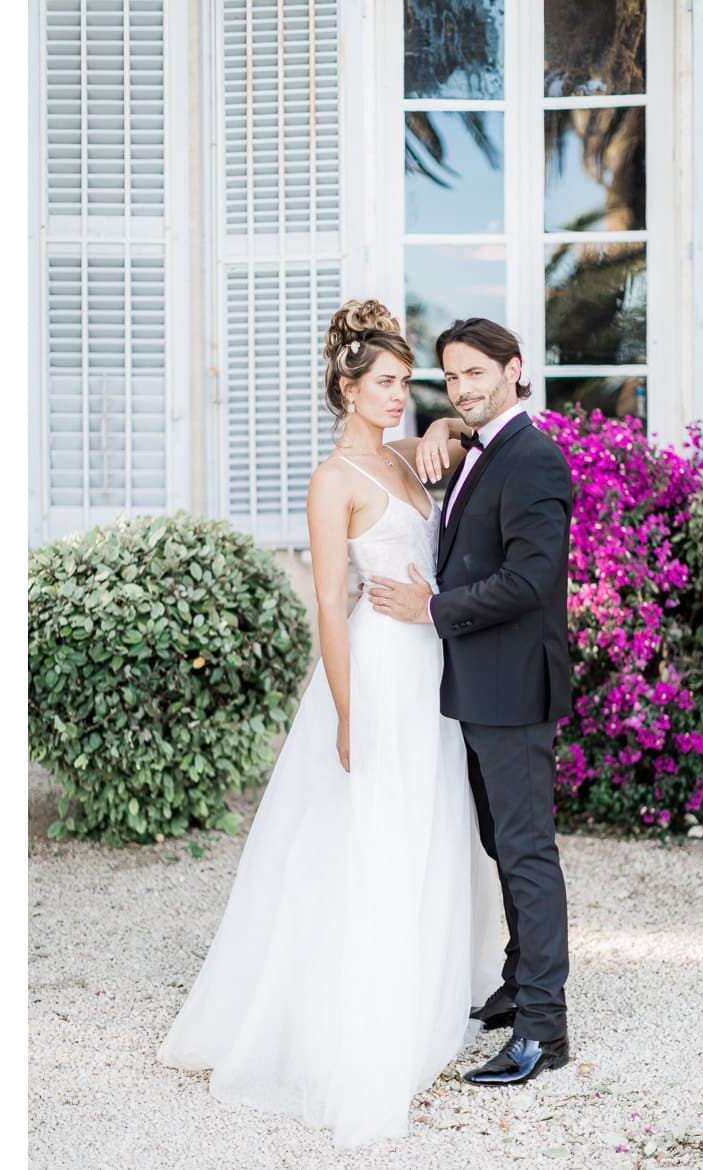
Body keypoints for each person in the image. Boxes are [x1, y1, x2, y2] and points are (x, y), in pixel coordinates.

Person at [156, 299, 506, 1147]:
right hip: (378, 671)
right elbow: (327, 605)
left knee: (431, 828)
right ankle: (361, 1013)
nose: (401, 395)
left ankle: (430, 993)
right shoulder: (333, 481)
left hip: (433, 670)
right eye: (386, 383)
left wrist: (444, 437)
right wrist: (348, 713)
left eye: (406, 383)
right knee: (371, 838)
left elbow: (466, 449)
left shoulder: (405, 454)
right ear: (348, 390)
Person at [365, 317, 573, 1087]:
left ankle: (544, 1030)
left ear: (514, 369)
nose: (463, 388)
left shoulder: (535, 460)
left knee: (526, 852)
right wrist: (450, 424)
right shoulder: (483, 447)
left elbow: (529, 580)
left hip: (514, 686)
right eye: (451, 378)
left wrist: (433, 610)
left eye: (476, 373)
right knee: (501, 843)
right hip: (480, 686)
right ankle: (521, 983)